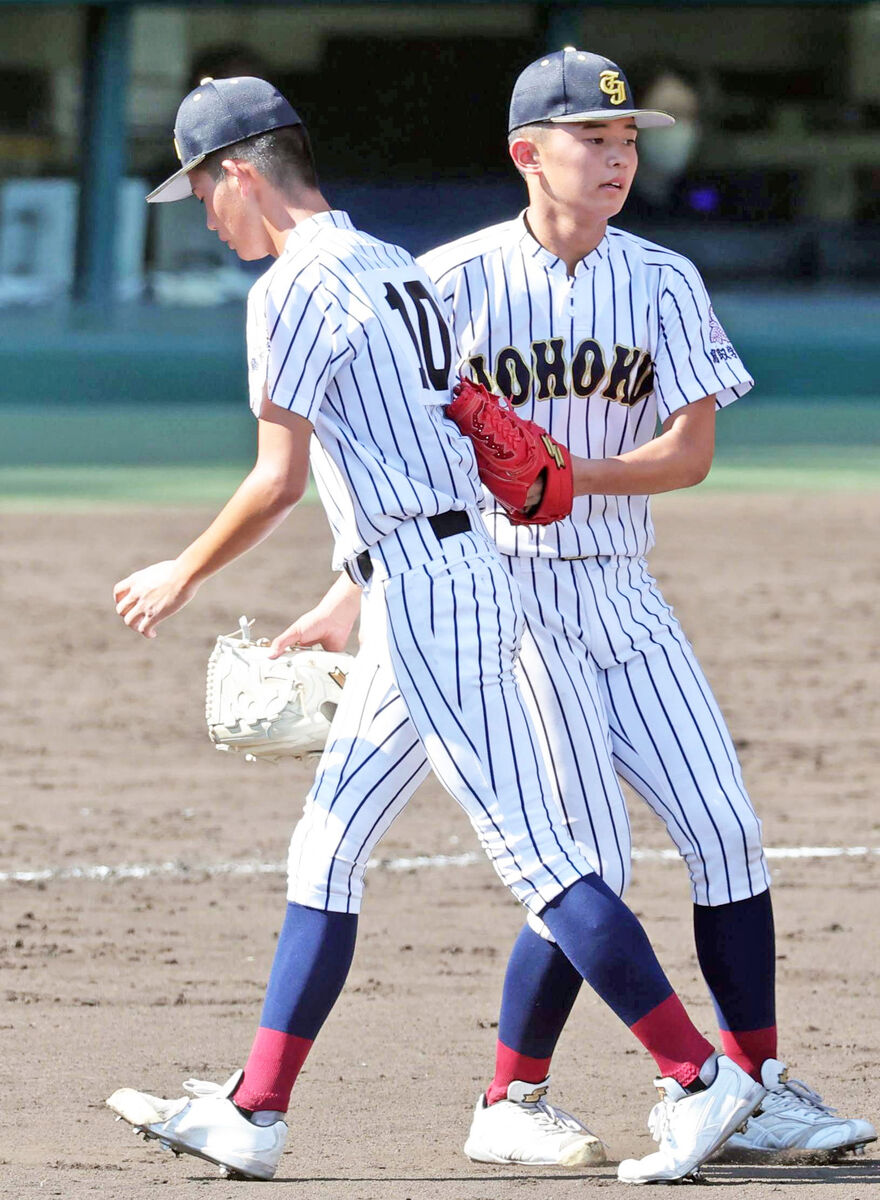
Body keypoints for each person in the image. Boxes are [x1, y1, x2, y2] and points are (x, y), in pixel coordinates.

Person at [106, 76, 765, 1185]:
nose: (203, 216)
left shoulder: (292, 290)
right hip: (429, 574)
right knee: (329, 842)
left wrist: (182, 569)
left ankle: (701, 1079)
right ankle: (255, 1110)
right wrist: (353, 588)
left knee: (543, 857)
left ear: (239, 175)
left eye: (200, 193)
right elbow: (442, 437)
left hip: (435, 591)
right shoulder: (387, 264)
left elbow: (277, 479)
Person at [278, 49, 876, 1167]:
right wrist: (350, 592)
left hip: (621, 587)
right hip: (496, 598)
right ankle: (513, 1097)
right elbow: (397, 459)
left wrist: (568, 476)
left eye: (627, 139)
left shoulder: (662, 279)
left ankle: (758, 1087)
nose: (616, 157)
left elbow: (690, 453)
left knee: (726, 830)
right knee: (583, 854)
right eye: (592, 139)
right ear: (526, 154)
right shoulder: (444, 282)